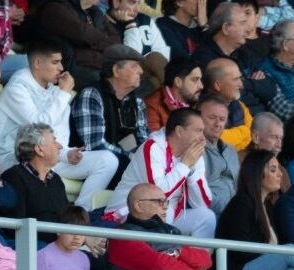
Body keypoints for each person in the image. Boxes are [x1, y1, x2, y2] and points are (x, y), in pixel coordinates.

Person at [0, 40, 118, 210]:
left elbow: (58, 135)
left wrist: (67, 153)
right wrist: (64, 93)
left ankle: (81, 212)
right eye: (55, 62)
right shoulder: (17, 88)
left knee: (107, 160)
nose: (61, 68)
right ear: (37, 63)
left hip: (47, 156)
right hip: (17, 159)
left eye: (61, 62)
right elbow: (39, 129)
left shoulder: (53, 91)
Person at [103, 108, 215, 238]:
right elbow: (158, 195)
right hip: (128, 214)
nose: (202, 138)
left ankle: (196, 259)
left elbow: (203, 203)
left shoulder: (193, 155)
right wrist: (185, 165)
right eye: (198, 131)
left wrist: (191, 170)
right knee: (160, 211)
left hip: (167, 214)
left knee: (207, 217)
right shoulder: (152, 147)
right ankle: (169, 255)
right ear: (179, 131)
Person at [70, 44, 149, 178]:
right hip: (88, 164)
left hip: (123, 163)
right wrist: (131, 158)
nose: (141, 71)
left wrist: (145, 159)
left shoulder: (137, 103)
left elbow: (143, 141)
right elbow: (94, 145)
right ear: (116, 70)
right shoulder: (92, 95)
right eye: (134, 66)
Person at [0, 123, 70, 234]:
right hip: (33, 248)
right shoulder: (14, 177)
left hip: (59, 247)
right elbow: (15, 228)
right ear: (39, 150)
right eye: (54, 141)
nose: (60, 146)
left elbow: (67, 218)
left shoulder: (56, 180)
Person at [145, 58, 204, 132]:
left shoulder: (197, 102)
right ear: (178, 82)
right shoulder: (153, 104)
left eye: (200, 80)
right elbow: (153, 140)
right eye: (195, 80)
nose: (201, 86)